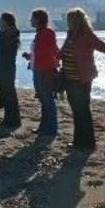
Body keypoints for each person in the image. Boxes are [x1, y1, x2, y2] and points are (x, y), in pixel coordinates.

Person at [59, 8, 105, 151]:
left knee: (83, 110)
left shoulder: (86, 34)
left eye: (71, 20)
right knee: (76, 111)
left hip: (82, 79)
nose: (68, 22)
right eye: (68, 20)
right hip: (69, 79)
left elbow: (101, 45)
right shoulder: (70, 34)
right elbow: (63, 53)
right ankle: (78, 141)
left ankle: (88, 142)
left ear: (78, 20)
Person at [23, 8, 60, 136]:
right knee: (43, 100)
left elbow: (53, 50)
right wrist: (29, 56)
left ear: (38, 19)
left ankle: (51, 128)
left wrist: (58, 61)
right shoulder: (39, 33)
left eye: (32, 18)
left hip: (45, 71)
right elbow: (40, 52)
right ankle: (44, 127)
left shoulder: (47, 33)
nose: (30, 20)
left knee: (47, 99)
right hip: (37, 69)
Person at [0, 12, 21, 128]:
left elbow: (7, 53)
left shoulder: (11, 34)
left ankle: (13, 120)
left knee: (9, 94)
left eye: (1, 19)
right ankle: (9, 118)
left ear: (6, 21)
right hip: (3, 67)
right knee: (6, 93)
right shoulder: (4, 33)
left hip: (7, 68)